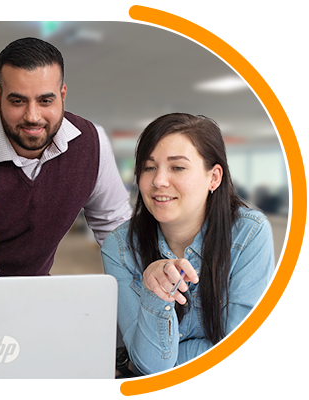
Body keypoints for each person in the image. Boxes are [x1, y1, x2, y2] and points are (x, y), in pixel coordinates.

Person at [101, 113, 275, 377]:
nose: (158, 181)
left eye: (177, 167)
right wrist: (155, 296)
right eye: (149, 167)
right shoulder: (120, 247)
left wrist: (165, 363)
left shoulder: (249, 233)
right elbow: (150, 364)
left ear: (214, 178)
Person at [0, 37, 132, 276]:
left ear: (62, 94)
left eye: (45, 101)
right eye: (17, 101)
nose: (32, 116)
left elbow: (114, 224)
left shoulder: (91, 143)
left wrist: (141, 284)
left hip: (38, 289)